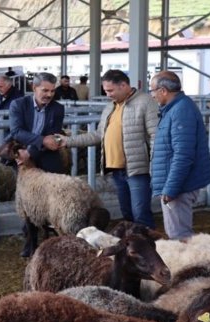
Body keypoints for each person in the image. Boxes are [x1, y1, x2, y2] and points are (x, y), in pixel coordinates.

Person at [58, 69, 157, 228]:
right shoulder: (110, 107)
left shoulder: (145, 102)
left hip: (138, 168)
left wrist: (154, 165)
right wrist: (68, 141)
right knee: (127, 211)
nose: (108, 94)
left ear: (123, 85)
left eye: (110, 90)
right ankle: (132, 247)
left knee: (140, 212)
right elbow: (98, 135)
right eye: (106, 91)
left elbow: (155, 135)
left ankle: (149, 246)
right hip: (116, 168)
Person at [149, 71, 210, 241]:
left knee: (179, 236)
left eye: (153, 91)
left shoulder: (180, 111)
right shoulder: (175, 108)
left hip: (181, 185)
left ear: (163, 91)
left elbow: (183, 154)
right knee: (177, 232)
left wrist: (171, 188)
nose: (153, 95)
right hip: (178, 181)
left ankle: (187, 265)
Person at [7, 72, 64, 257]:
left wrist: (30, 152)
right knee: (27, 200)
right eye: (45, 90)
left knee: (53, 196)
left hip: (43, 153)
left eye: (52, 91)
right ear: (34, 88)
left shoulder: (57, 108)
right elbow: (17, 131)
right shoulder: (18, 104)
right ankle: (30, 240)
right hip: (21, 154)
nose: (48, 95)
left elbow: (52, 135)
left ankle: (54, 239)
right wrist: (32, 147)